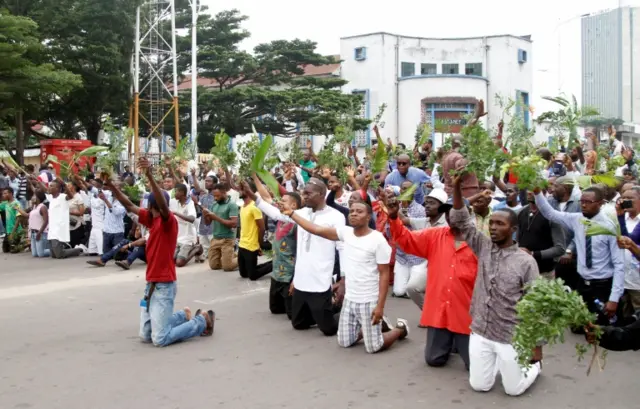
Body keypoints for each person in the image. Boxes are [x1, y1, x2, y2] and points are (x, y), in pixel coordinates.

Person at [451, 171, 541, 396]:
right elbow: (460, 218)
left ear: (513, 230)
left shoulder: (526, 262)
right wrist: (456, 188)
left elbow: (536, 305)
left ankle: (534, 368)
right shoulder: (483, 246)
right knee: (480, 385)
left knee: (513, 390)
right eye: (491, 224)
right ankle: (503, 366)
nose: (492, 228)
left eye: (499, 224)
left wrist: (536, 345)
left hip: (510, 334)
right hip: (480, 329)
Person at [106, 157, 214, 346]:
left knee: (160, 338)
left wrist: (149, 174)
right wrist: (111, 187)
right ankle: (183, 316)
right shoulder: (152, 218)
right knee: (145, 335)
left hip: (164, 285)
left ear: (154, 204)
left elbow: (163, 207)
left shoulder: (167, 220)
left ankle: (201, 321)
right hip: (152, 284)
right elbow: (129, 205)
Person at [281, 199, 409, 353]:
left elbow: (384, 274)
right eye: (352, 210)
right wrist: (292, 214)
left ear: (369, 217)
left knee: (374, 347)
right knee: (344, 341)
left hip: (368, 300)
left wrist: (380, 307)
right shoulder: (345, 233)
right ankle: (374, 330)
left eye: (359, 211)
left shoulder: (378, 240)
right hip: (350, 299)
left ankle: (400, 329)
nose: (354, 214)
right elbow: (317, 230)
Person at [386, 189, 477, 369]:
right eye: (448, 211)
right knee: (434, 360)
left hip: (467, 314)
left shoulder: (479, 241)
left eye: (456, 211)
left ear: (468, 215)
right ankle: (450, 342)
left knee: (474, 365)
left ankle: (460, 343)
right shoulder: (436, 235)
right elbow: (406, 240)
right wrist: (395, 217)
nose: (451, 215)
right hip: (440, 311)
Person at [254, 177, 345, 336]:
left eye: (308, 193)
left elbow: (342, 249)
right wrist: (254, 197)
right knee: (298, 324)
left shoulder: (336, 216)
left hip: (320, 279)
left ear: (322, 194)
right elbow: (277, 214)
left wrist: (343, 279)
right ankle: (320, 312)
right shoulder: (302, 213)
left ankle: (339, 309)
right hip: (302, 279)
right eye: (304, 193)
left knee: (329, 329)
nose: (304, 196)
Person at [535, 186, 624, 325]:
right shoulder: (577, 219)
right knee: (580, 325)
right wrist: (537, 192)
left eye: (588, 201)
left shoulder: (609, 227)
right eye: (582, 200)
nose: (583, 204)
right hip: (583, 283)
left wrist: (614, 298)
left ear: (600, 203)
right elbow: (550, 213)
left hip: (602, 286)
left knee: (601, 329)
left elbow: (619, 264)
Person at [245, 179, 300, 318]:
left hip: (290, 275)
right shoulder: (281, 216)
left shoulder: (297, 222)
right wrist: (252, 186)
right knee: (275, 309)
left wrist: (297, 278)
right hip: (277, 273)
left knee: (293, 315)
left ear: (294, 205)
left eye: (284, 201)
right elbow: (265, 199)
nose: (280, 202)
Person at [517, 191, 566, 279]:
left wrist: (533, 254)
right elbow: (517, 240)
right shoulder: (521, 212)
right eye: (528, 189)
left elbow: (560, 248)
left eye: (533, 190)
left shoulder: (552, 215)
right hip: (522, 270)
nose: (529, 192)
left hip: (544, 273)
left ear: (542, 192)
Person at [391, 181, 426, 298]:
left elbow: (419, 233)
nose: (405, 191)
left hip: (416, 256)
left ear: (414, 192)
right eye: (403, 189)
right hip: (402, 255)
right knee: (399, 292)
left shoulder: (420, 209)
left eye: (408, 189)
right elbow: (390, 230)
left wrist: (399, 217)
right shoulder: (396, 207)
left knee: (413, 290)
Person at [202, 183, 239, 271]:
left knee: (227, 267)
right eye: (214, 196)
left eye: (217, 196)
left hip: (227, 239)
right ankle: (231, 255)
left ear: (224, 193)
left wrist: (216, 218)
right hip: (215, 239)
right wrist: (205, 215)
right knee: (214, 266)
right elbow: (207, 223)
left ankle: (242, 258)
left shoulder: (232, 205)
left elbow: (233, 224)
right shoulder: (214, 205)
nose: (215, 198)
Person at [44, 180, 83, 259]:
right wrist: (35, 180)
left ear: (58, 189)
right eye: (50, 186)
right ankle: (71, 249)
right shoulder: (51, 198)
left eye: (52, 186)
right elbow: (43, 189)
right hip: (52, 229)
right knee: (53, 255)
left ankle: (78, 250)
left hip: (58, 229)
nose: (49, 187)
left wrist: (64, 185)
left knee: (59, 255)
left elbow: (71, 196)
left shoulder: (62, 197)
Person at [237, 181, 267, 280]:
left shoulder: (254, 207)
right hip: (242, 244)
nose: (240, 190)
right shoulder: (242, 206)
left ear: (250, 191)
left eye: (243, 188)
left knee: (252, 276)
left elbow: (262, 228)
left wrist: (259, 244)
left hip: (251, 246)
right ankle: (252, 268)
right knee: (243, 274)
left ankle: (274, 264)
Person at [170, 183, 202, 267]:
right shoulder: (175, 202)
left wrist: (176, 213)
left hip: (188, 237)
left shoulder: (190, 203)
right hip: (179, 237)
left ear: (182, 193)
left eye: (176, 191)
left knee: (179, 263)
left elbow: (192, 219)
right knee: (171, 260)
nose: (174, 193)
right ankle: (187, 251)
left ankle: (196, 248)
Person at [0, 187, 27, 253]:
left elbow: (18, 219)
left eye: (5, 193)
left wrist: (13, 232)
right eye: (3, 193)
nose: (3, 195)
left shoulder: (16, 203)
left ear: (11, 194)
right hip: (8, 230)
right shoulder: (5, 203)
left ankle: (25, 243)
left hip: (15, 230)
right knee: (5, 250)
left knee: (14, 250)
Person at [29, 191, 50, 257]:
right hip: (33, 233)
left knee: (41, 254)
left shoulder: (43, 207)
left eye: (34, 196)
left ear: (38, 197)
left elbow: (46, 221)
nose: (32, 197)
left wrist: (40, 232)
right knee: (35, 254)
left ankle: (55, 249)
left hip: (40, 233)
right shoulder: (34, 207)